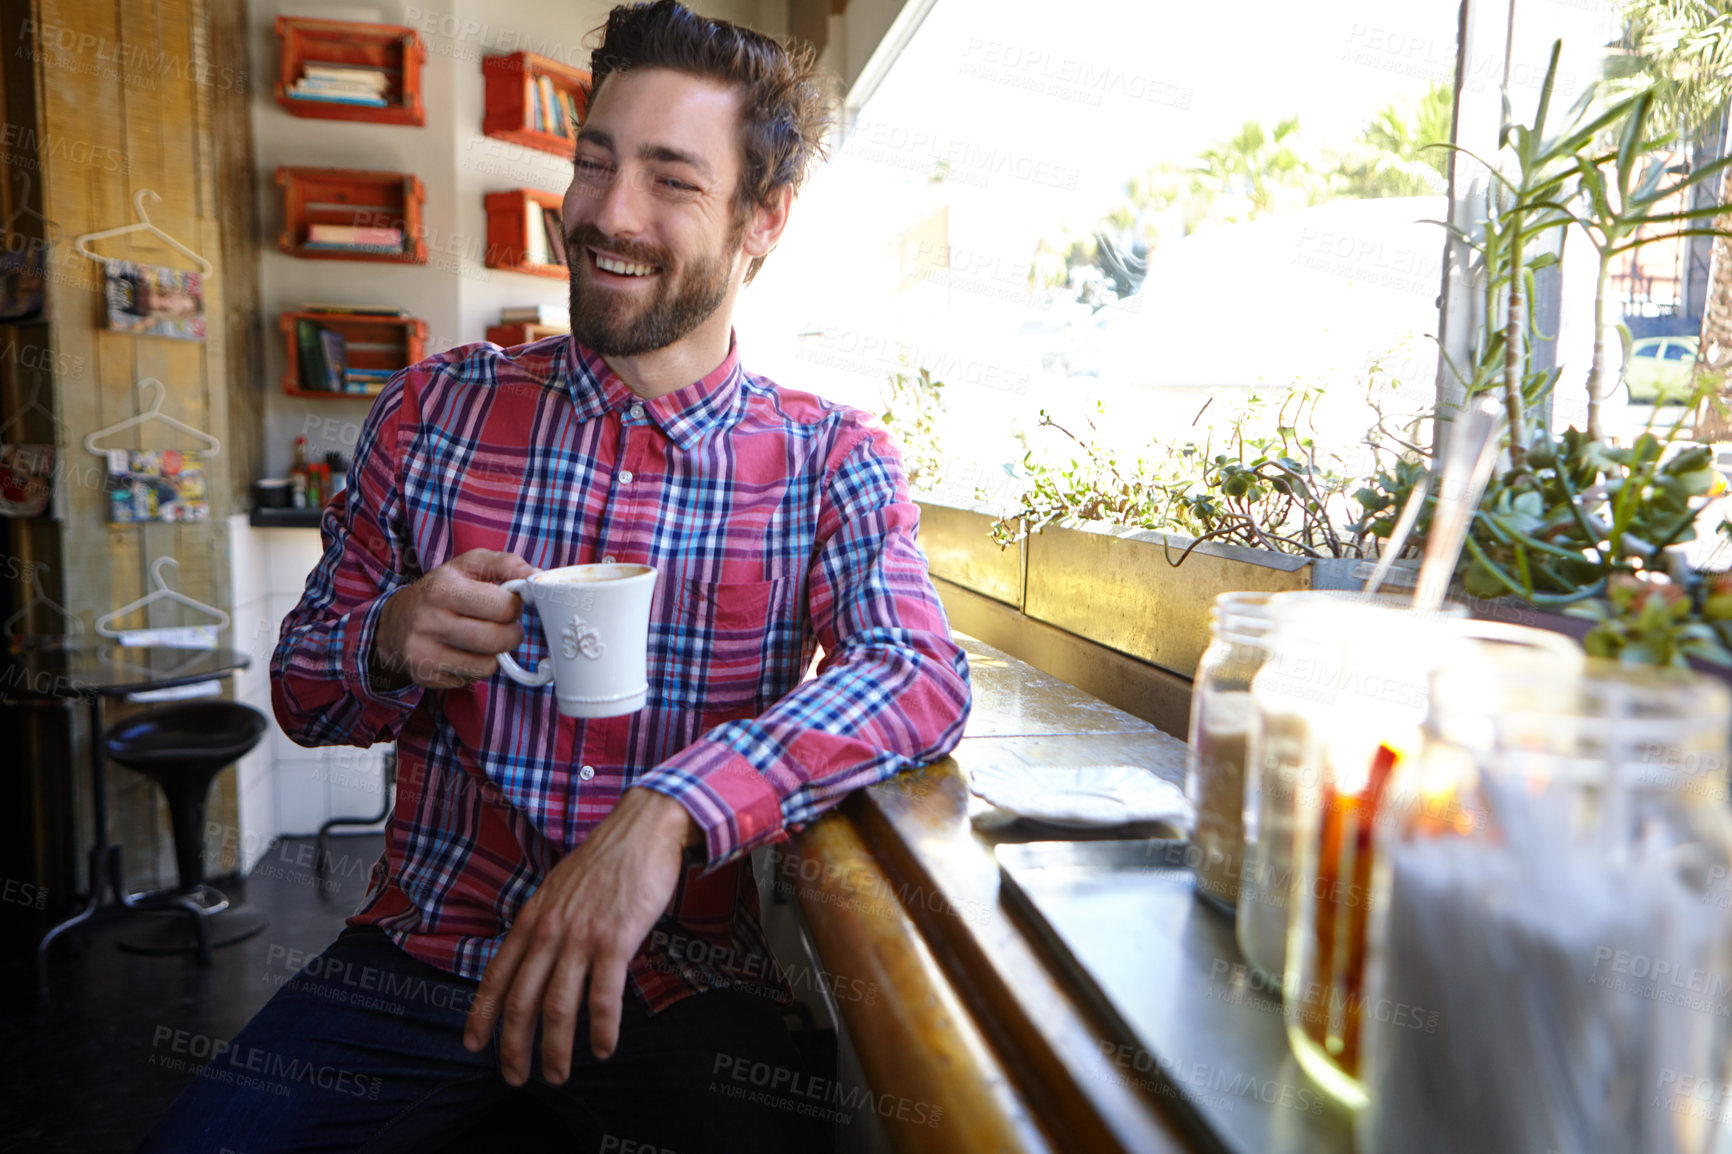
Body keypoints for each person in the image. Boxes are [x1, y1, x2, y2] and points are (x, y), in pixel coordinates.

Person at [135, 3, 970, 1151]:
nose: (605, 213)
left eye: (671, 180)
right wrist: (389, 636)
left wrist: (670, 809)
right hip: (422, 956)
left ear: (762, 222)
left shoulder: (831, 458)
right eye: (592, 162)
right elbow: (300, 690)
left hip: (676, 975)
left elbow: (917, 674)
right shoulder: (434, 408)